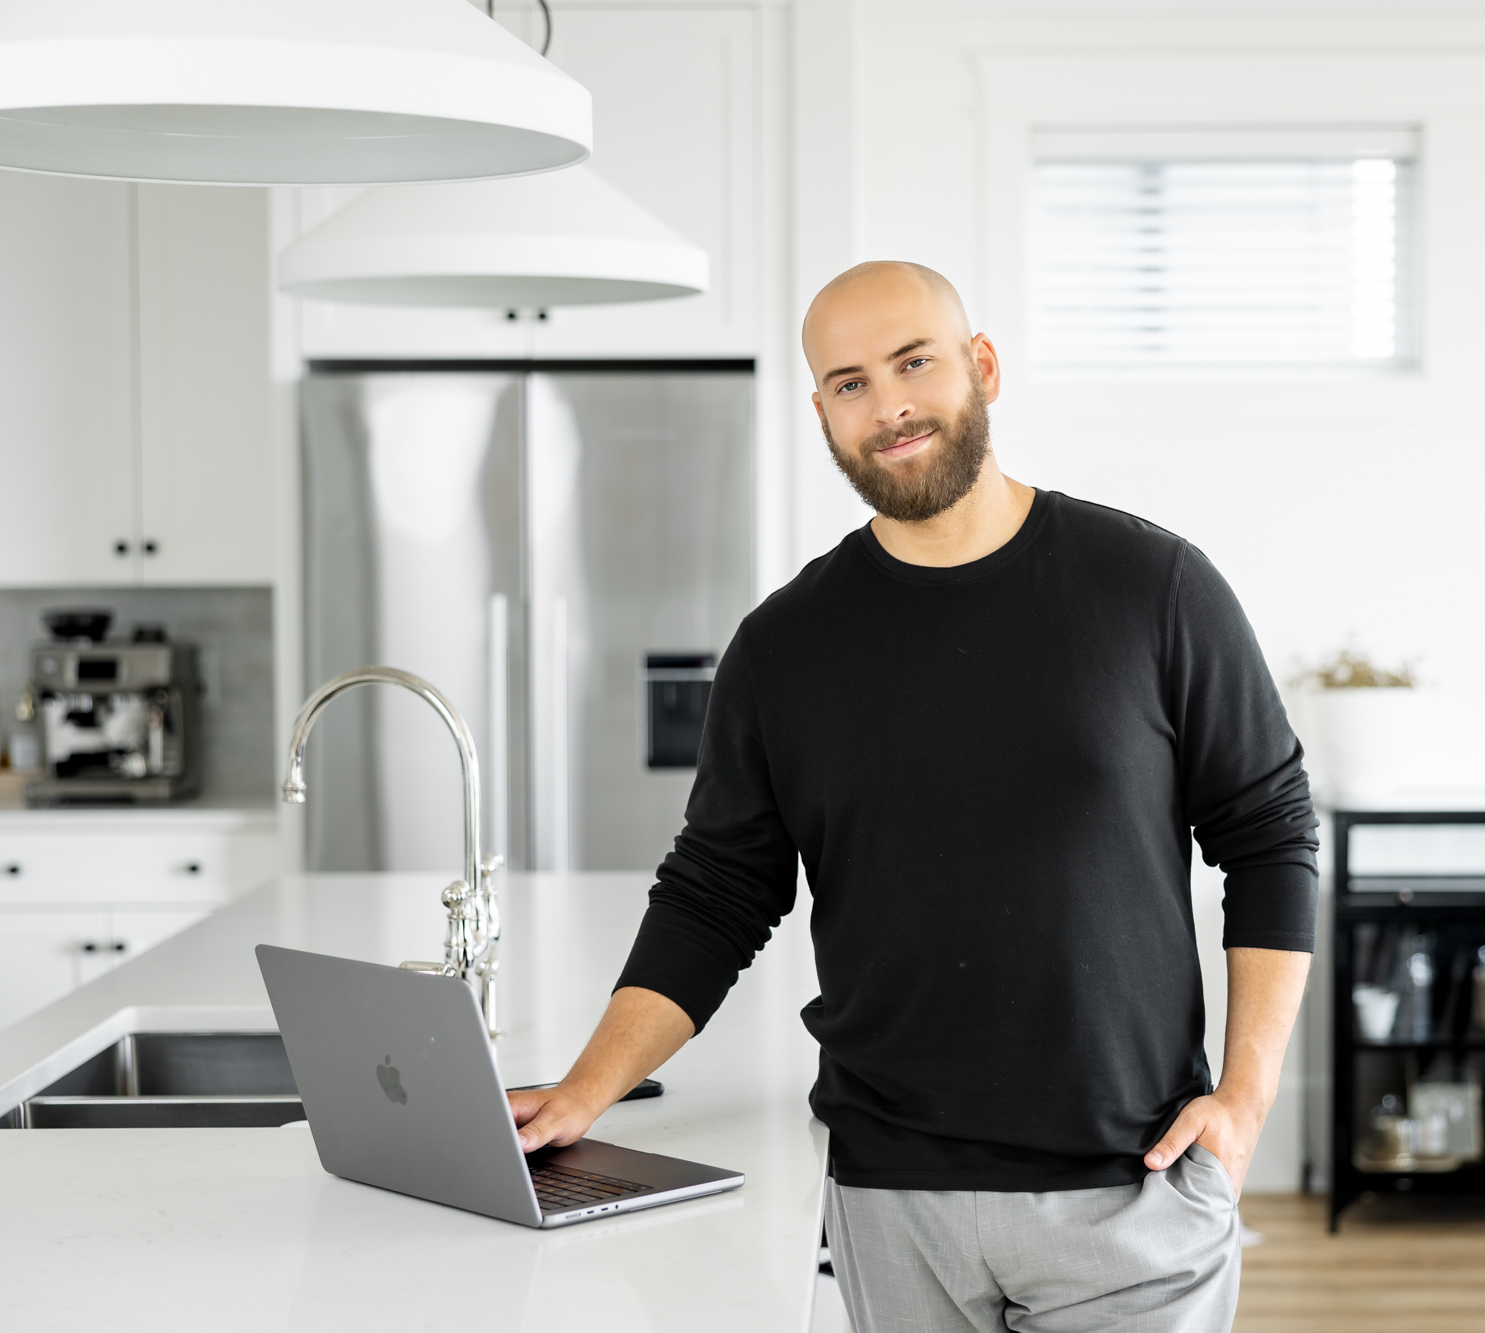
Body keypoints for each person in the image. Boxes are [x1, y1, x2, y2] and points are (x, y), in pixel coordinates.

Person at [509, 260, 1317, 1332]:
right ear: (821, 415)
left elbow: (1266, 833)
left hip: (1129, 1191)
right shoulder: (781, 649)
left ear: (979, 366)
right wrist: (585, 1086)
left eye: (912, 362)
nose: (886, 404)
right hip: (890, 1201)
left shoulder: (1151, 588)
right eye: (847, 383)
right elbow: (714, 895)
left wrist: (1247, 1095)